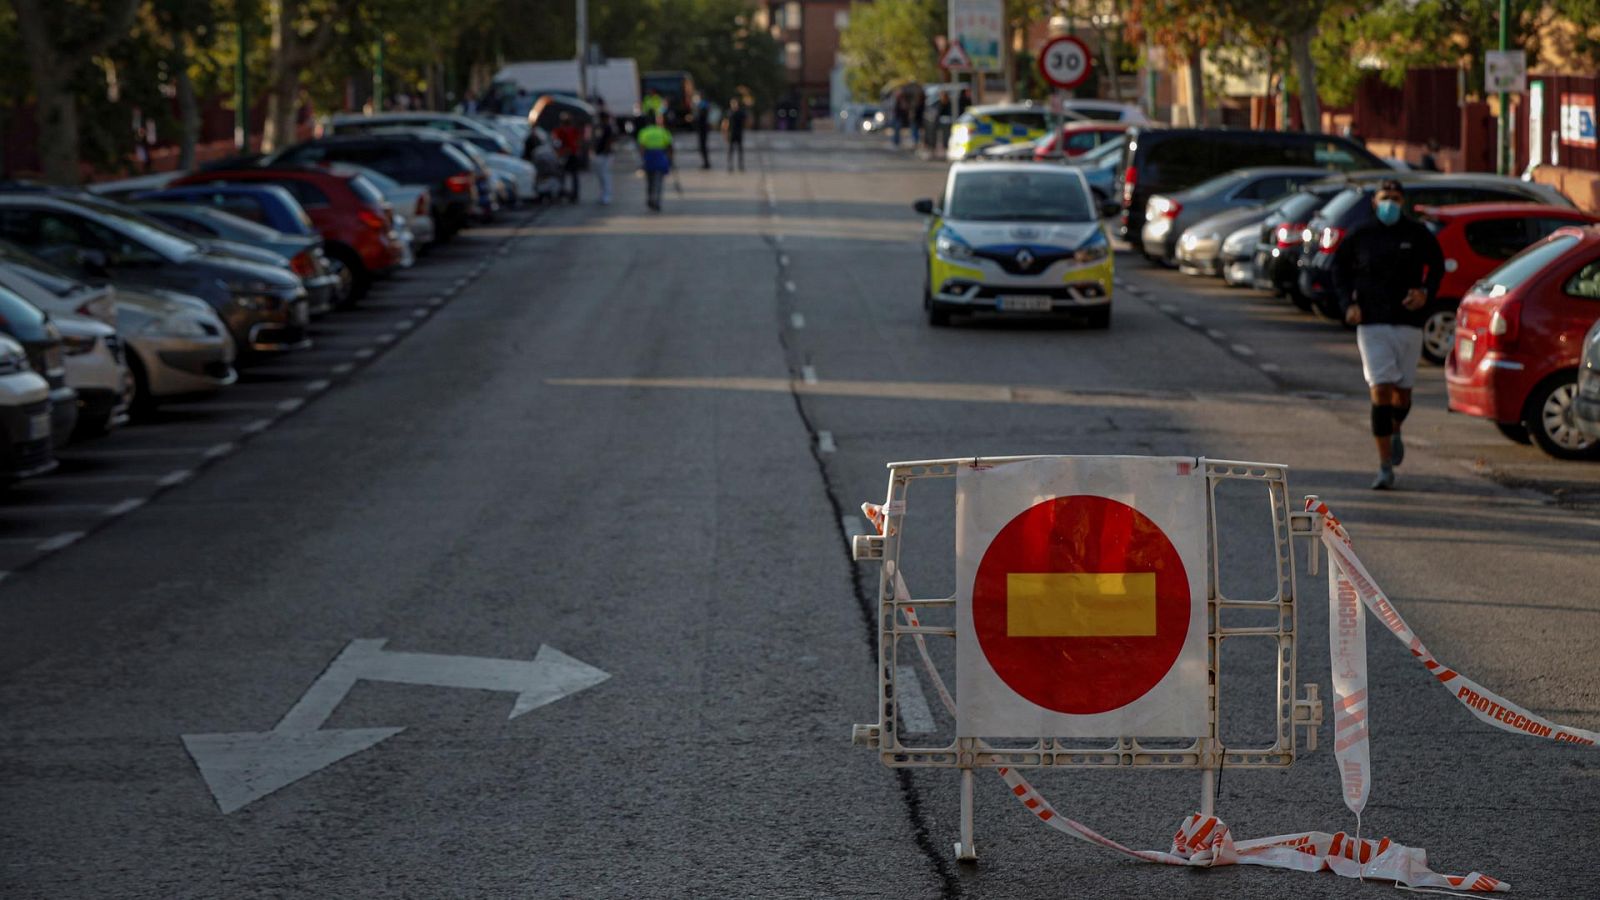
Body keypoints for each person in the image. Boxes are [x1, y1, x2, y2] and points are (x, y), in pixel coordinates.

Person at [1332, 180, 1444, 490]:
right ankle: (1384, 466)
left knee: (1402, 392)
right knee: (1380, 389)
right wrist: (1347, 304)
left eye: (1395, 198)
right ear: (1374, 202)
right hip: (1371, 322)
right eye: (1385, 198)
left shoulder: (1417, 234)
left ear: (1403, 201)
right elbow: (1338, 268)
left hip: (1408, 321)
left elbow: (1437, 267)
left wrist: (1425, 293)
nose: (1390, 204)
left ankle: (1395, 429)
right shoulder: (1362, 234)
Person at [637, 114, 674, 212]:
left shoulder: (644, 132)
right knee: (658, 182)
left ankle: (650, 199)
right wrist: (671, 159)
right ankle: (656, 201)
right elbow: (669, 146)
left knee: (649, 181)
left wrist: (643, 158)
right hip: (660, 157)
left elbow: (641, 147)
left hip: (649, 158)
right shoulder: (663, 131)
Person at [552, 112, 584, 202]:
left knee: (569, 176)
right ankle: (564, 193)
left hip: (569, 155)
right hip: (566, 155)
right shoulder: (561, 130)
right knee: (564, 176)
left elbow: (577, 141)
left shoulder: (570, 130)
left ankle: (570, 194)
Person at [592, 109, 617, 205]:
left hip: (605, 155)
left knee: (606, 175)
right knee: (601, 176)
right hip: (600, 154)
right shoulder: (600, 127)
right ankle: (603, 194)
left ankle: (607, 195)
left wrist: (606, 151)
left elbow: (610, 140)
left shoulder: (608, 127)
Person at [723, 98, 746, 172]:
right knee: (730, 150)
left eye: (735, 103)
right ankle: (730, 165)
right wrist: (725, 133)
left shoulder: (741, 112)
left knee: (740, 150)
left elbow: (746, 121)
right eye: (732, 103)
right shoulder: (729, 112)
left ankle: (740, 165)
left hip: (739, 133)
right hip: (731, 133)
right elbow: (725, 123)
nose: (734, 105)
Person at [693, 95, 712, 169]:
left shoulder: (702, 107)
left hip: (702, 130)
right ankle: (706, 163)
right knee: (702, 147)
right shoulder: (702, 107)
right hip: (702, 130)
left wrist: (693, 118)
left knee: (703, 147)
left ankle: (706, 163)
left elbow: (700, 118)